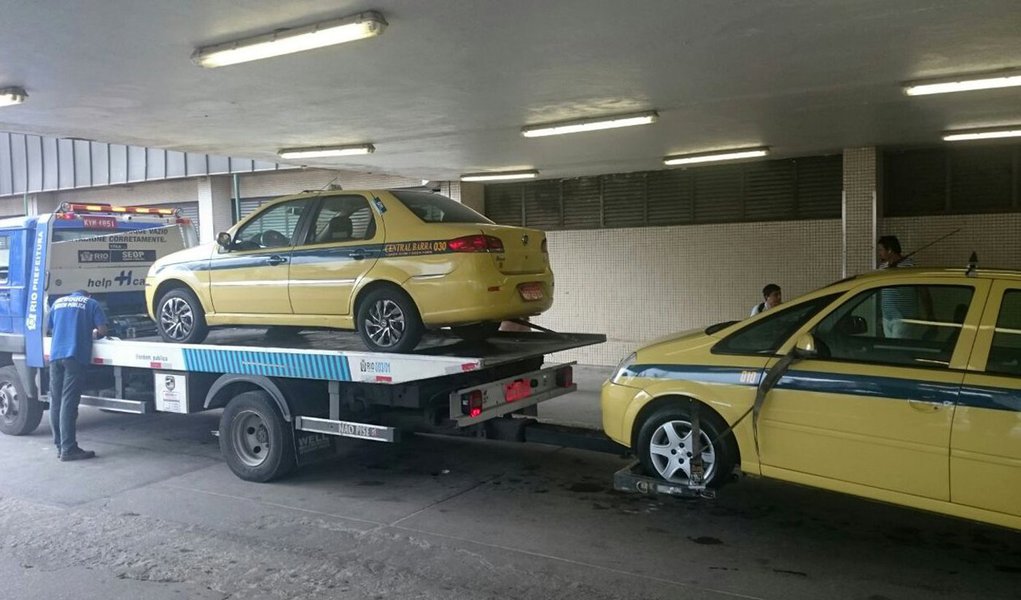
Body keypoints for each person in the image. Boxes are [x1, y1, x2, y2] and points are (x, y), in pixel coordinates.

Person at [47, 289, 107, 461]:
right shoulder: (91, 303)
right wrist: (93, 333)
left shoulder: (58, 303)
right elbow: (102, 330)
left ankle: (60, 447)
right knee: (69, 402)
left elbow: (51, 327)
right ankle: (69, 449)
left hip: (55, 356)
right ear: (89, 295)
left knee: (56, 402)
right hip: (75, 356)